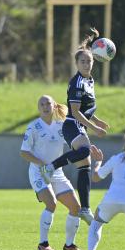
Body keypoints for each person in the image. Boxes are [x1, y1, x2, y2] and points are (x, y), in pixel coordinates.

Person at [40, 28, 109, 225]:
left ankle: (85, 209)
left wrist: (97, 121)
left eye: (90, 61)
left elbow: (87, 109)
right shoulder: (77, 82)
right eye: (83, 61)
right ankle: (50, 167)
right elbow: (76, 112)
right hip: (72, 125)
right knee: (85, 150)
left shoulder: (90, 80)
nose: (87, 64)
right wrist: (95, 129)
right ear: (77, 64)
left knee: (85, 167)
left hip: (81, 126)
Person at [20, 95, 83, 250]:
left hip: (57, 172)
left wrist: (88, 148)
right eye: (41, 104)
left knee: (76, 207)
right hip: (38, 173)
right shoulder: (33, 126)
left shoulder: (62, 126)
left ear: (54, 106)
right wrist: (42, 164)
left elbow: (75, 143)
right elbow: (24, 152)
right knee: (51, 204)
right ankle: (43, 244)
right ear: (38, 108)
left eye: (48, 103)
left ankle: (69, 245)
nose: (45, 106)